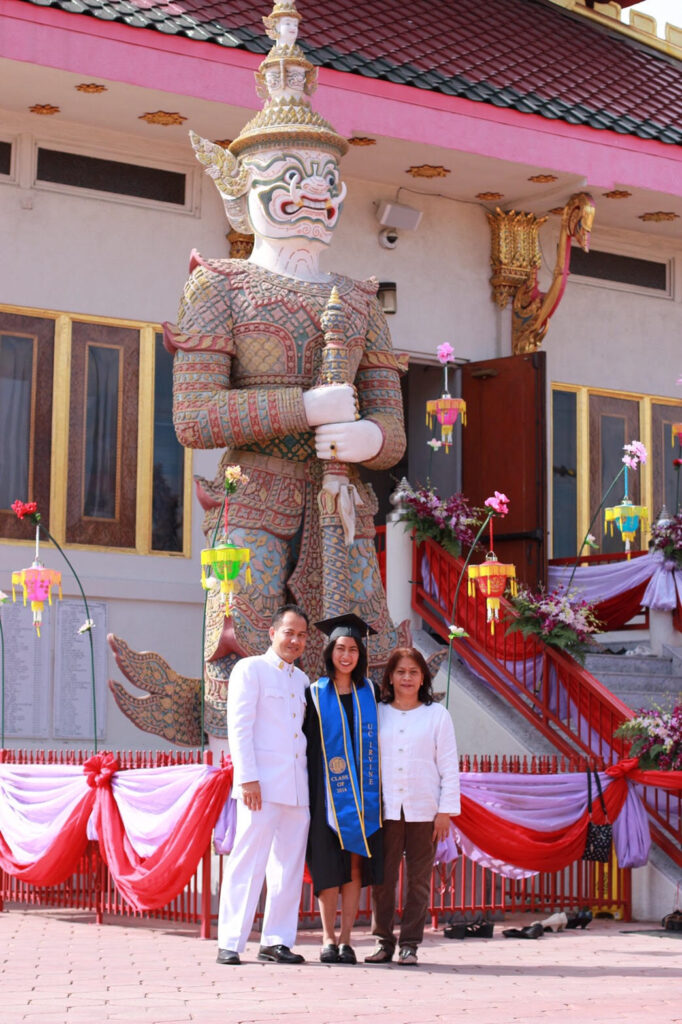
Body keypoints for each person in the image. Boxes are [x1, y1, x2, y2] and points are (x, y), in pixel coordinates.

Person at [216, 604, 310, 966]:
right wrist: (248, 778)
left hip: (296, 788)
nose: (295, 640)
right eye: (289, 632)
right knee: (247, 862)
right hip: (260, 786)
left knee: (287, 867)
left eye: (301, 635)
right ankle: (230, 941)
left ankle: (276, 940)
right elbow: (238, 727)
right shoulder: (250, 668)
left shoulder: (302, 681)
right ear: (273, 633)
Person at [365, 647, 460, 967]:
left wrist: (445, 811)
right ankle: (382, 941)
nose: (407, 678)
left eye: (413, 672)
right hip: (385, 810)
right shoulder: (376, 712)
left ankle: (410, 944)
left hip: (424, 810)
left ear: (423, 678)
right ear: (390, 677)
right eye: (400, 672)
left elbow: (448, 766)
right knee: (383, 879)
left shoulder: (437, 715)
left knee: (418, 880)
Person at [304, 613, 383, 965]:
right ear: (329, 652)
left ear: (360, 654)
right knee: (327, 866)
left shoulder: (372, 692)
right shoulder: (315, 694)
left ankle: (348, 939)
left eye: (352, 649)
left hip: (363, 795)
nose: (346, 655)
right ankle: (327, 938)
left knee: (353, 866)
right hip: (325, 792)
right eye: (340, 648)